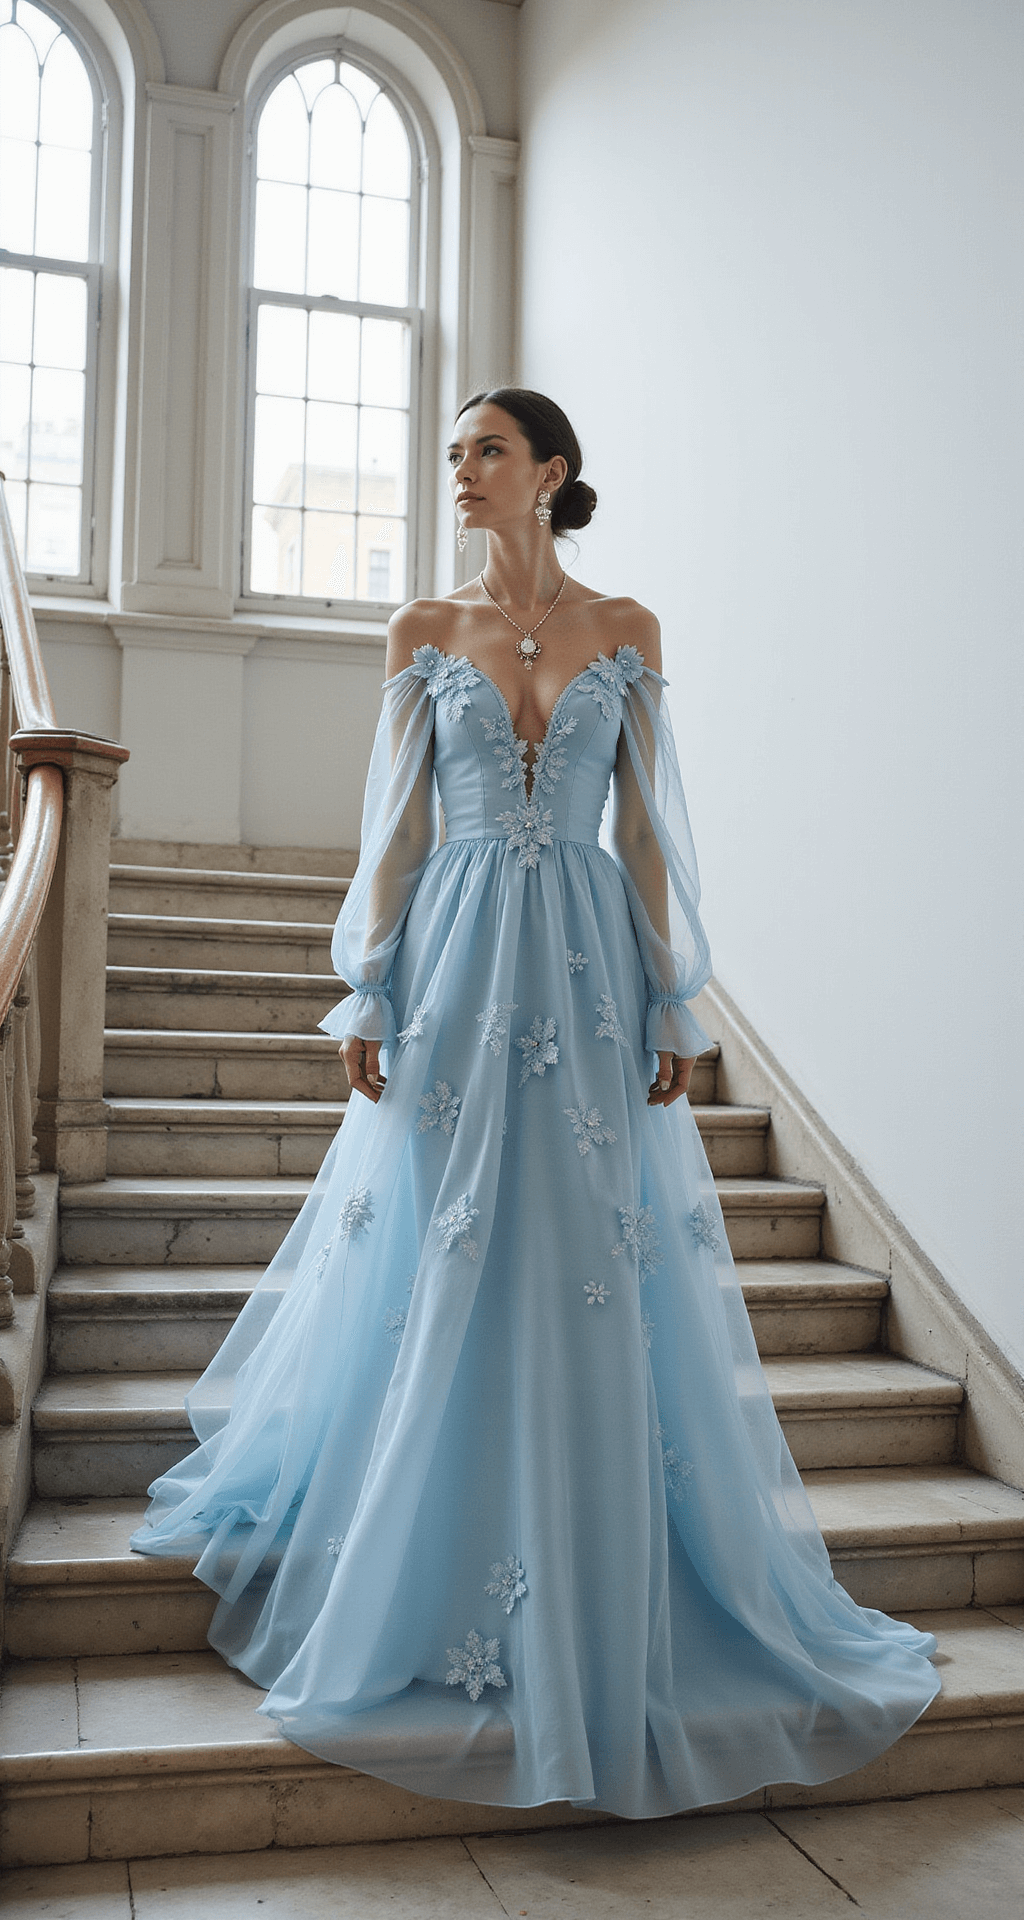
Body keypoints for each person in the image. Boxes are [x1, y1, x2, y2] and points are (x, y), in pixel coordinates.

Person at [132, 388, 939, 1818]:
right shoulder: (421, 634)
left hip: (582, 971)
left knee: (583, 1254)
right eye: (454, 453)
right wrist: (367, 990)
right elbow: (396, 832)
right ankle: (419, 1546)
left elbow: (640, 828)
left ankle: (585, 1547)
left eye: (486, 451)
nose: (461, 471)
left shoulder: (628, 626)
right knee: (436, 1245)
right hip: (450, 965)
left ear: (550, 474)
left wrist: (669, 993)